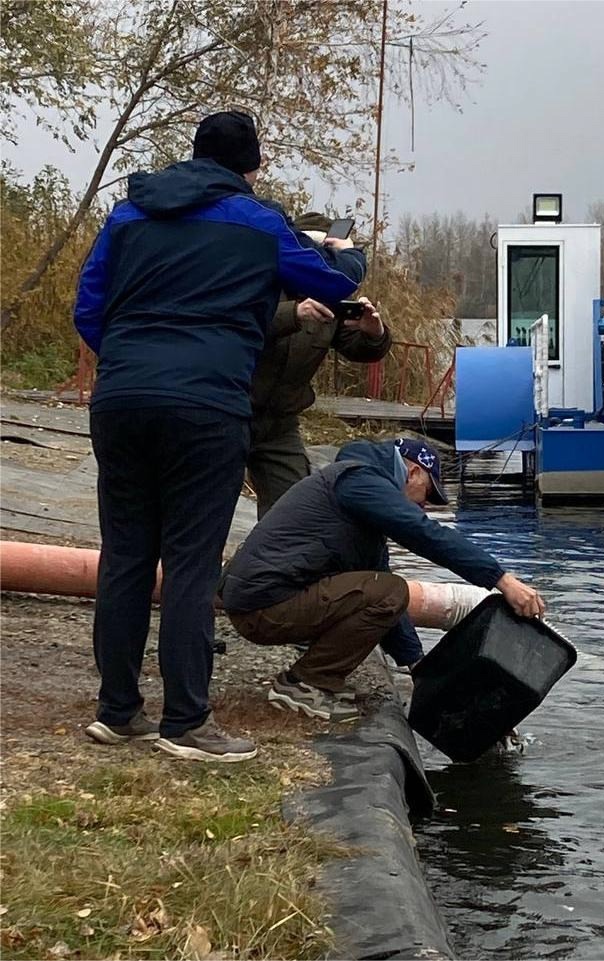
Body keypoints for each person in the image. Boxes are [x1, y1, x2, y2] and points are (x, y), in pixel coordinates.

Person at [74, 110, 366, 762]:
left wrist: (128, 360)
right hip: (205, 408)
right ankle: (186, 722)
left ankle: (117, 712)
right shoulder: (257, 221)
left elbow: (87, 307)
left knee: (123, 556)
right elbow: (334, 284)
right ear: (251, 168)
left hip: (121, 400)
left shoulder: (127, 215)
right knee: (190, 561)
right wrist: (348, 253)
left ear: (193, 156)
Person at [219, 437, 545, 721]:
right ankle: (306, 684)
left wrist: (417, 666)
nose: (423, 507)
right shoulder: (360, 481)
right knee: (389, 591)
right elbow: (424, 534)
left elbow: (384, 590)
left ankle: (309, 679)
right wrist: (501, 579)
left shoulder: (360, 497)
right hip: (264, 606)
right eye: (426, 496)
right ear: (413, 472)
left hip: (263, 603)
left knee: (384, 588)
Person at [249, 212, 392, 519]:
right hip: (232, 413)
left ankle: (275, 566)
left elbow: (358, 348)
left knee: (293, 512)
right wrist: (293, 313)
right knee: (208, 507)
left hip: (280, 422)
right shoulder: (258, 279)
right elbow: (243, 322)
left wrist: (374, 332)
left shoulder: (330, 295)